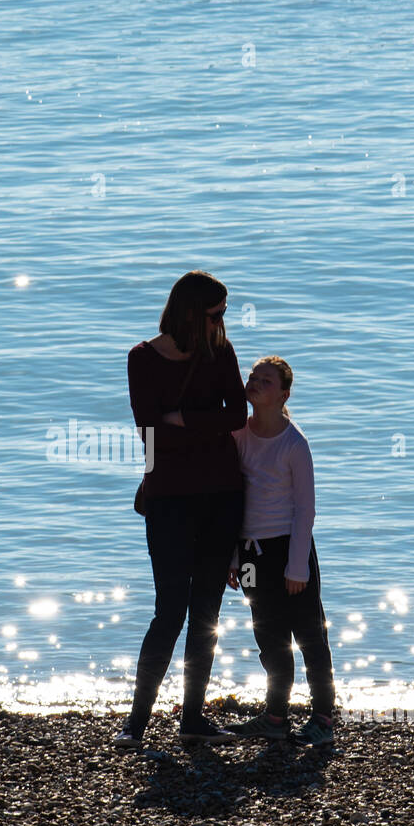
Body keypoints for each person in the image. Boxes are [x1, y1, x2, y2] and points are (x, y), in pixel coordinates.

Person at [114, 270, 246, 749]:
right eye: (215, 313)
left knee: (206, 609)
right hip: (168, 498)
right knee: (169, 610)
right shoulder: (142, 358)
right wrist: (196, 428)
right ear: (191, 311)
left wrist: (183, 419)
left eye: (224, 312)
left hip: (223, 495)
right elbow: (149, 430)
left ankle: (193, 718)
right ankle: (137, 722)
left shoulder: (221, 352)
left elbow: (239, 416)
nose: (223, 321)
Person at [224, 356, 336, 748]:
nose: (254, 382)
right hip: (252, 553)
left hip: (291, 551)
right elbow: (235, 500)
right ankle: (275, 715)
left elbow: (306, 510)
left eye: (266, 380)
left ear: (283, 394)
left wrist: (297, 567)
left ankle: (323, 716)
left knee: (308, 635)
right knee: (268, 636)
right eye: (253, 376)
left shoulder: (294, 443)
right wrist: (235, 558)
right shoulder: (239, 434)